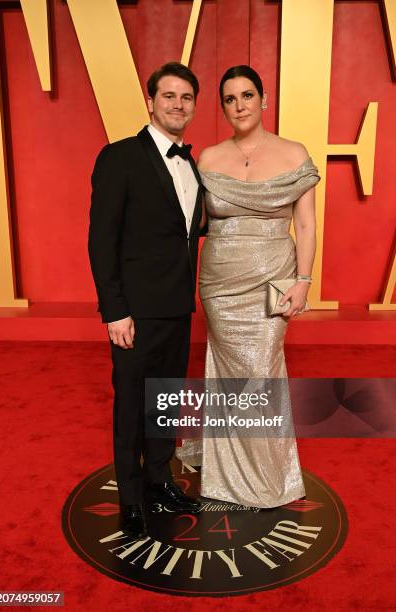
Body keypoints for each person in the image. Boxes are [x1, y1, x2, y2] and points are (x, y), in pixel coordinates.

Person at [177, 65, 320, 508]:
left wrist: (303, 281)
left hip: (274, 276)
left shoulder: (294, 153)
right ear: (222, 107)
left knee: (259, 371)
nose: (239, 106)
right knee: (229, 374)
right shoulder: (207, 158)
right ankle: (226, 472)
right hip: (220, 281)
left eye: (246, 96)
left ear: (263, 99)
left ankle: (265, 474)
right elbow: (195, 222)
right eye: (229, 99)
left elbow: (306, 224)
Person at [88, 62, 203, 540]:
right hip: (134, 313)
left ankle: (159, 480)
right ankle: (132, 498)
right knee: (132, 406)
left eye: (186, 97)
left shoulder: (193, 163)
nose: (178, 104)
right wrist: (115, 310)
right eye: (169, 96)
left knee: (165, 402)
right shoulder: (119, 157)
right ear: (150, 101)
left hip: (178, 308)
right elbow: (101, 240)